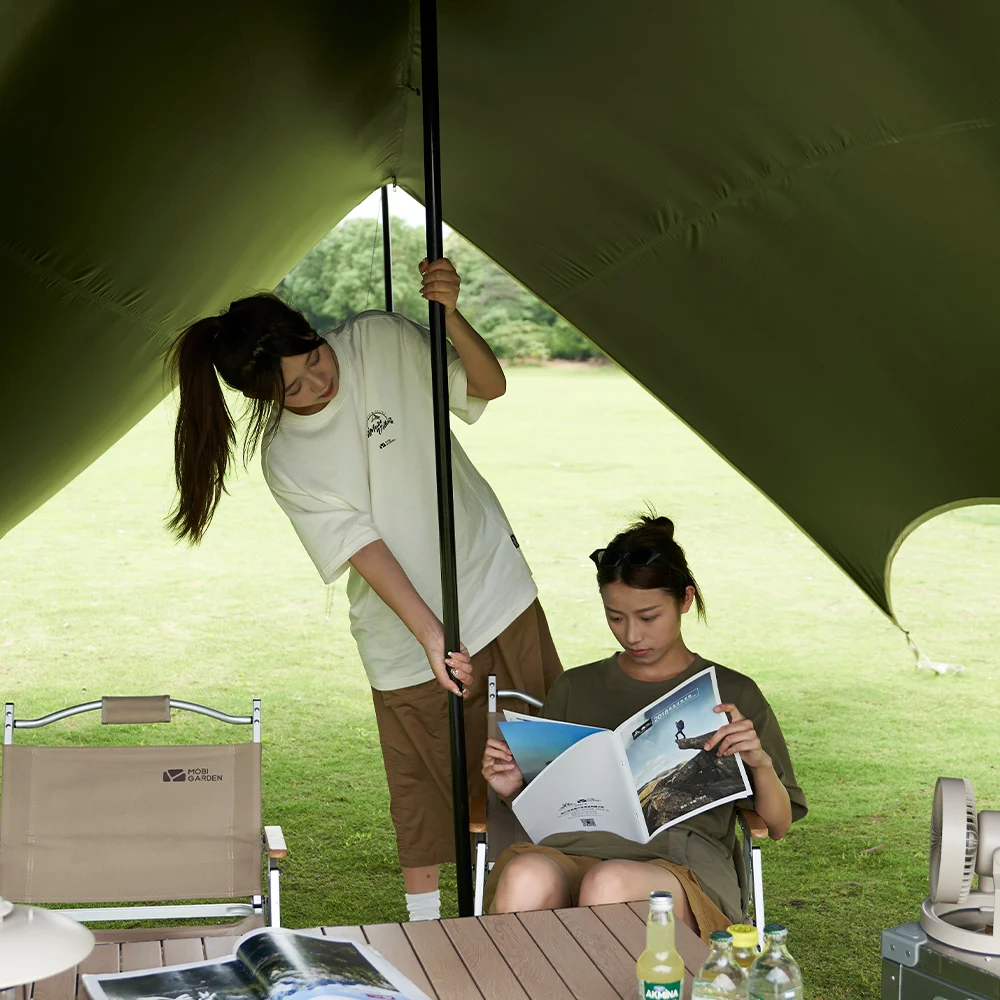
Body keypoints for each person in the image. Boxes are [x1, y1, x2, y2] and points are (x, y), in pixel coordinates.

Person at [166, 257, 562, 920]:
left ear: (314, 332)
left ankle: (564, 904)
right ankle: (431, 934)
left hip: (494, 583)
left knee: (549, 761)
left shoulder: (380, 339)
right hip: (401, 637)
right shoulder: (286, 459)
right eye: (291, 388)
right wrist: (433, 636)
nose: (317, 381)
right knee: (426, 790)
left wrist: (451, 314)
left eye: (313, 357)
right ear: (265, 397)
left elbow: (487, 386)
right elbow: (363, 548)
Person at [479, 513, 806, 940]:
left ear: (685, 600)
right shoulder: (574, 686)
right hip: (571, 852)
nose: (631, 635)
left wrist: (759, 763)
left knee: (609, 885)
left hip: (680, 868)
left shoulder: (731, 691)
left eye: (648, 617)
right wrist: (514, 789)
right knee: (526, 874)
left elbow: (776, 825)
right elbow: (549, 803)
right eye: (615, 618)